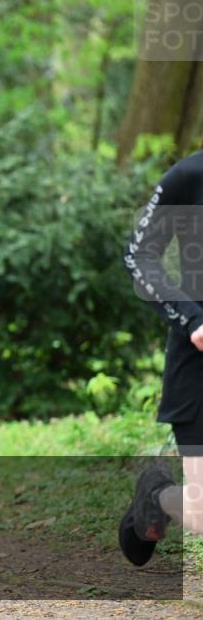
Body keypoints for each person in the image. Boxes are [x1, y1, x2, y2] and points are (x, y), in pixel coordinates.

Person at [120, 144, 203, 566]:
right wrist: (193, 319)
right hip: (198, 365)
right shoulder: (189, 177)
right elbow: (139, 256)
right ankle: (157, 496)